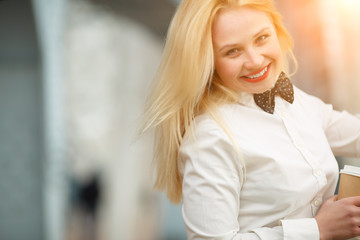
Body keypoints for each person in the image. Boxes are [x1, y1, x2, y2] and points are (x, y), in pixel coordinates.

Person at [142, 0, 360, 239]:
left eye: (262, 38)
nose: (255, 61)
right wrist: (316, 230)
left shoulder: (296, 102)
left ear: (277, 32)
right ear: (209, 61)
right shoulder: (210, 138)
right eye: (232, 51)